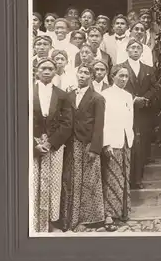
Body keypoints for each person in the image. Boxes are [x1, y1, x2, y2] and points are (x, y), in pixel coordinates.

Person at [60, 63, 105, 232]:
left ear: (91, 77)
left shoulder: (97, 98)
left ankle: (89, 219)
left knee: (89, 181)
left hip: (88, 144)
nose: (82, 76)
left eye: (86, 73)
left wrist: (95, 148)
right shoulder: (69, 96)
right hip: (71, 144)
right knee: (72, 180)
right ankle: (70, 219)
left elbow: (99, 125)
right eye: (80, 72)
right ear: (76, 74)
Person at [32, 58, 73, 232]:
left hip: (55, 145)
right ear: (37, 70)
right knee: (34, 182)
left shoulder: (62, 95)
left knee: (53, 183)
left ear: (55, 72)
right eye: (43, 68)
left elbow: (67, 123)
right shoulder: (27, 91)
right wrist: (34, 143)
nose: (47, 71)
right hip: (32, 145)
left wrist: (50, 143)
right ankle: (33, 222)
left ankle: (51, 221)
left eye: (50, 68)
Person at [100, 65, 135, 231]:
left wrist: (130, 138)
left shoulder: (128, 96)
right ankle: (109, 215)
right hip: (112, 142)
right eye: (120, 76)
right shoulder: (105, 95)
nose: (124, 79)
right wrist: (106, 142)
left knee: (124, 176)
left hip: (126, 141)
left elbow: (130, 119)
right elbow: (103, 121)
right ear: (113, 76)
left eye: (126, 76)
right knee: (112, 178)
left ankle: (123, 212)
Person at [121, 39, 158, 189]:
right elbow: (117, 85)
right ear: (127, 50)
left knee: (141, 144)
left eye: (138, 48)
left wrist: (146, 99)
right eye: (132, 47)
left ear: (142, 52)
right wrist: (133, 99)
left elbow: (155, 87)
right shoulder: (120, 67)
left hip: (143, 112)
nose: (135, 50)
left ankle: (138, 179)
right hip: (125, 110)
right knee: (127, 143)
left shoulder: (149, 69)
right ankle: (125, 178)